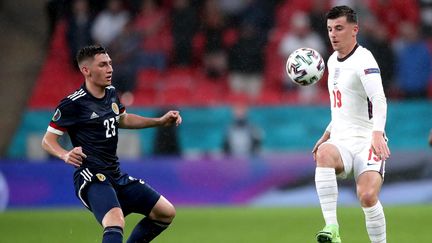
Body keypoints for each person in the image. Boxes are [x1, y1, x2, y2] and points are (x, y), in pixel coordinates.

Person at [41, 45, 182, 243]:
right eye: (103, 64)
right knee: (115, 221)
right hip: (90, 176)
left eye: (110, 63)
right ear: (86, 70)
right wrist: (64, 154)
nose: (110, 69)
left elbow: (122, 119)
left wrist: (159, 121)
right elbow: (48, 141)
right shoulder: (73, 104)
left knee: (165, 213)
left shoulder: (111, 93)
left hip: (115, 174)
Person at [312, 6, 390, 243]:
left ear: (354, 30)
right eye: (329, 29)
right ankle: (332, 228)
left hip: (368, 140)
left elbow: (379, 99)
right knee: (323, 153)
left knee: (366, 196)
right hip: (342, 140)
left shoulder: (364, 60)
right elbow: (341, 106)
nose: (333, 34)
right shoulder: (332, 61)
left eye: (339, 28)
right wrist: (327, 133)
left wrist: (377, 133)